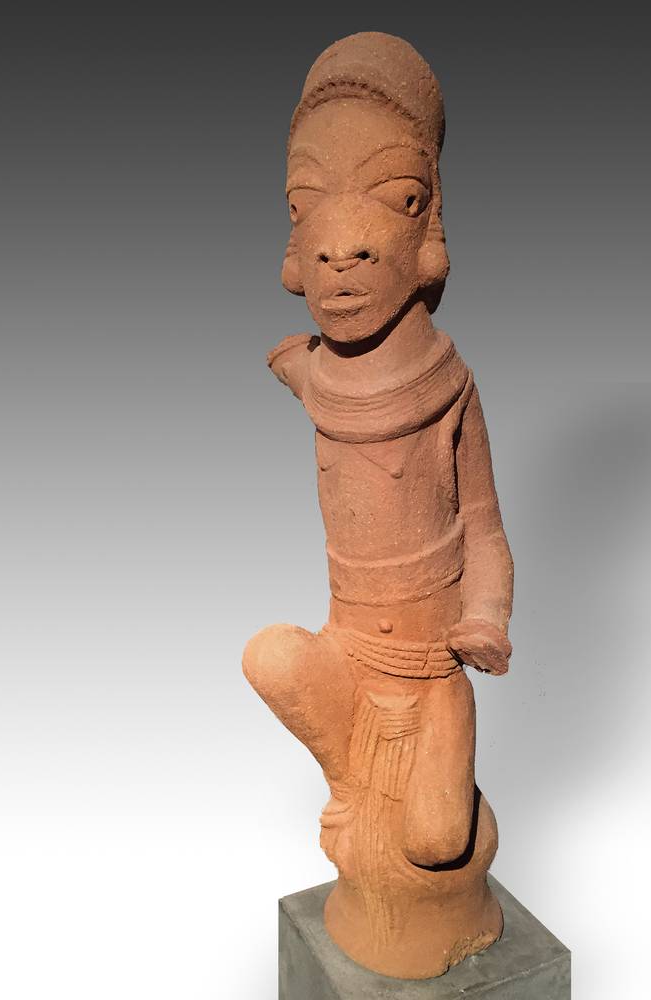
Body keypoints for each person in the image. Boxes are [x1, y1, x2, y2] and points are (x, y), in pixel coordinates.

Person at [242, 32, 513, 979]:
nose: (340, 245)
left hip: (432, 668)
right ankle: (357, 780)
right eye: (306, 205)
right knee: (271, 657)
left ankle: (398, 809)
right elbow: (302, 373)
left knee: (436, 842)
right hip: (351, 651)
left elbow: (487, 529)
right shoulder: (318, 374)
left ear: (427, 218)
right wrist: (289, 365)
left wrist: (487, 617)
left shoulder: (448, 387)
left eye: (393, 199)